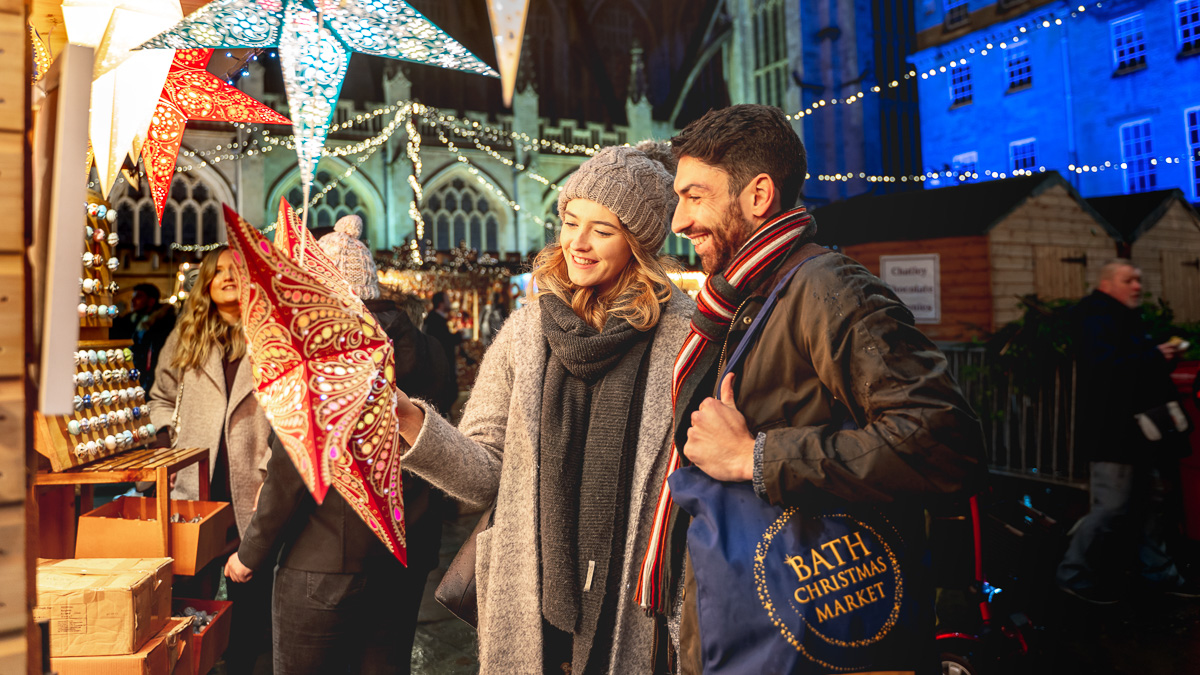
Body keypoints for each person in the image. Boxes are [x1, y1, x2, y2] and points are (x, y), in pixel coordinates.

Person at [636, 104, 988, 673]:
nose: (679, 220)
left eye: (695, 196)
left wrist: (754, 457)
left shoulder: (827, 288)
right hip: (751, 622)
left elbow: (943, 440)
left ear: (758, 195)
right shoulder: (742, 297)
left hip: (809, 625)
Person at [390, 141, 695, 674]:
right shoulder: (527, 332)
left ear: (640, 244)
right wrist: (411, 423)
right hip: (530, 597)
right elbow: (488, 478)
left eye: (602, 230)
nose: (577, 243)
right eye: (570, 221)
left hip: (635, 600)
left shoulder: (684, 337)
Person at [224, 215, 455, 675]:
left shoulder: (323, 355)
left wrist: (250, 554)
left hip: (323, 557)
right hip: (405, 556)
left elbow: (292, 471)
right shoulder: (429, 350)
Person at [148, 247, 272, 675]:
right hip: (194, 488)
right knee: (187, 594)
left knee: (250, 596)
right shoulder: (187, 336)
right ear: (205, 281)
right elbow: (160, 397)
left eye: (236, 268)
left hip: (251, 486)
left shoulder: (270, 337)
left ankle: (241, 663)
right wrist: (171, 438)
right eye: (216, 270)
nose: (226, 275)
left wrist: (273, 469)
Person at [1055, 259, 1198, 604]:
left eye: (1138, 279)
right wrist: (1154, 356)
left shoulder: (1115, 317)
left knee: (1150, 503)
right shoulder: (1097, 318)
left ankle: (1160, 574)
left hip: (1134, 432)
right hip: (1113, 434)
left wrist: (1157, 356)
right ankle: (1072, 574)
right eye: (1129, 279)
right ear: (1107, 284)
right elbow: (1104, 370)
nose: (1137, 286)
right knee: (1112, 507)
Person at [113, 282, 176, 392]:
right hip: (131, 374)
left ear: (151, 301)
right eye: (133, 296)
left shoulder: (162, 324)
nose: (133, 300)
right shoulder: (130, 320)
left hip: (151, 378)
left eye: (139, 296)